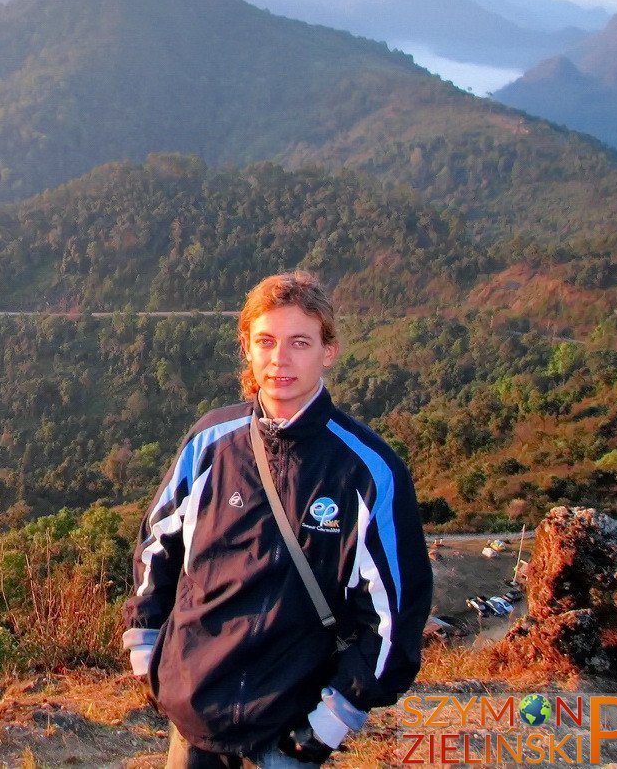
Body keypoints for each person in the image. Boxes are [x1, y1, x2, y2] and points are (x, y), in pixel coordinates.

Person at [122, 271, 432, 767]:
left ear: (328, 351)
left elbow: (395, 615)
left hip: (290, 726)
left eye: (300, 342)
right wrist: (147, 652)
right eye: (266, 341)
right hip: (195, 712)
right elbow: (157, 547)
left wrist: (333, 719)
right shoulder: (211, 443)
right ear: (247, 347)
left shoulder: (367, 472)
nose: (280, 358)